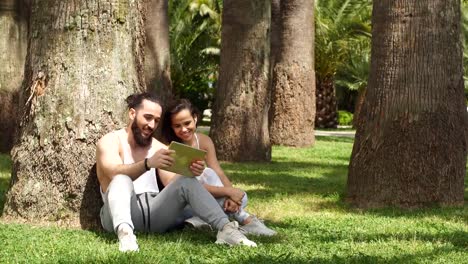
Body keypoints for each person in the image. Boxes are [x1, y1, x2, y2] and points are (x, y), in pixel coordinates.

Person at [96, 92, 257, 252]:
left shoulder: (158, 147)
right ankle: (126, 235)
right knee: (121, 179)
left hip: (154, 213)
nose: (151, 125)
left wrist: (191, 173)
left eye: (156, 120)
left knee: (186, 182)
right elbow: (112, 173)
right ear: (132, 113)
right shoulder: (111, 140)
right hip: (118, 214)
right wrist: (147, 164)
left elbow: (173, 182)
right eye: (147, 117)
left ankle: (226, 229)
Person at [161, 99, 276, 236]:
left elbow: (218, 171)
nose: (184, 129)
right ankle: (245, 219)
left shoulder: (203, 141)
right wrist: (227, 191)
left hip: (208, 197)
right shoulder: (168, 148)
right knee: (209, 176)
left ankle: (200, 221)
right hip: (183, 204)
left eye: (187, 123)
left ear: (195, 119)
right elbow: (175, 186)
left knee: (241, 196)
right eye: (177, 126)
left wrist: (232, 196)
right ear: (171, 127)